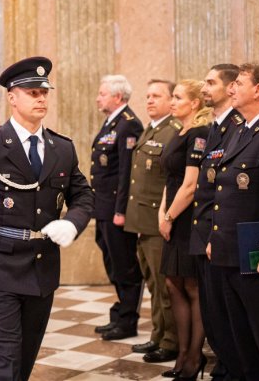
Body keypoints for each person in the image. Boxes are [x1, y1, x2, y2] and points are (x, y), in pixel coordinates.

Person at [0, 56, 94, 380]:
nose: (41, 98)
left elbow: (84, 195)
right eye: (32, 92)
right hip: (2, 270)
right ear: (12, 97)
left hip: (43, 269)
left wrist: (73, 222)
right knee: (6, 362)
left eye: (44, 92)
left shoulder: (61, 148)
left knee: (24, 361)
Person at [207, 63, 259, 380]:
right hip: (230, 252)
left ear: (258, 89)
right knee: (240, 339)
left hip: (257, 256)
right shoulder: (241, 129)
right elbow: (225, 192)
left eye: (239, 83)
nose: (231, 88)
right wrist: (213, 239)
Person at [189, 64, 243, 381]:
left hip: (221, 236)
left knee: (226, 313)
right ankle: (223, 367)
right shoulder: (215, 127)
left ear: (230, 86)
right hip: (205, 232)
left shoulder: (237, 126)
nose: (204, 88)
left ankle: (231, 370)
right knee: (212, 312)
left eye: (210, 82)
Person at [157, 79, 211, 379]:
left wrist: (170, 216)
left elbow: (191, 185)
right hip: (174, 214)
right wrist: (163, 212)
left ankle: (194, 358)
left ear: (195, 103)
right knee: (172, 284)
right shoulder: (179, 132)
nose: (172, 101)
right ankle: (181, 355)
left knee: (192, 286)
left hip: (189, 217)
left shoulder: (200, 133)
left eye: (178, 97)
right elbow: (171, 179)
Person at [124, 79, 181, 364]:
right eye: (147, 96)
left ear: (172, 100)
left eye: (156, 96)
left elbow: (172, 181)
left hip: (158, 221)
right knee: (152, 283)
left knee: (164, 286)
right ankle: (158, 334)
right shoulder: (152, 129)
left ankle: (171, 341)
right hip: (142, 220)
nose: (149, 100)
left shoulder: (174, 131)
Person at [90, 75, 144, 341]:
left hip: (115, 210)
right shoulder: (112, 122)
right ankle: (119, 313)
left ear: (117, 97)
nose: (98, 98)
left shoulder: (128, 126)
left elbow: (126, 173)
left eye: (102, 94)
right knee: (113, 264)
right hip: (103, 209)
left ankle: (128, 321)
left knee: (125, 267)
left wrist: (121, 211)